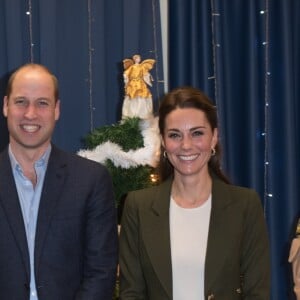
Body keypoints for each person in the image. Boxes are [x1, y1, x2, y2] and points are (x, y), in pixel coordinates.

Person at [119, 86, 270, 299]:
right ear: (163, 141)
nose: (186, 145)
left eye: (197, 133)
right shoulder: (138, 206)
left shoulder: (245, 205)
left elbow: (258, 293)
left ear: (214, 137)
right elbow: (131, 293)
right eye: (175, 135)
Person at [0, 63, 118, 299]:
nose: (30, 113)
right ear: (6, 106)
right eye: (21, 101)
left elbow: (101, 272)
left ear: (57, 110)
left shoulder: (91, 180)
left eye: (42, 103)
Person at [122, 54, 155, 119]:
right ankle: (132, 114)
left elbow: (145, 74)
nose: (139, 60)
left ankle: (141, 113)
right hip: (133, 84)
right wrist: (126, 79)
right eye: (137, 58)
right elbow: (126, 73)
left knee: (141, 96)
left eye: (139, 58)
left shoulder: (141, 67)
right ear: (135, 59)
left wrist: (149, 78)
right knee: (132, 96)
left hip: (140, 83)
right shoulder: (132, 67)